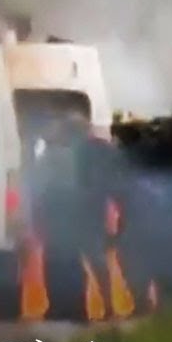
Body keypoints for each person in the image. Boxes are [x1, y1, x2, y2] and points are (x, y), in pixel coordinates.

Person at [29, 109, 126, 321]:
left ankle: (70, 307)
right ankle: (103, 307)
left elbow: (44, 188)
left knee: (70, 262)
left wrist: (40, 216)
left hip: (75, 215)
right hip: (87, 213)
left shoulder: (61, 153)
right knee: (92, 261)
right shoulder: (97, 150)